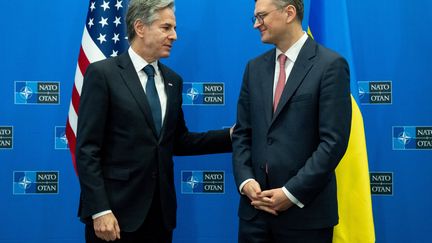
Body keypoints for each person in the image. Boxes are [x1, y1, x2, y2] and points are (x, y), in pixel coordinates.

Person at [75, 0, 232, 242]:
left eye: (174, 28)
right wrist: (100, 210)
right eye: (166, 27)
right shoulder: (103, 74)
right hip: (114, 217)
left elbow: (178, 141)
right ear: (140, 27)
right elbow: (87, 149)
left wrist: (230, 136)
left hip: (160, 216)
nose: (174, 36)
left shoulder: (173, 81)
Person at [232, 0, 352, 242]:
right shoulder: (253, 69)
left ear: (289, 13)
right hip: (254, 216)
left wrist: (290, 193)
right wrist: (245, 181)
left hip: (305, 217)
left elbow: (333, 143)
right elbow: (243, 134)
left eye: (262, 16)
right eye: (255, 17)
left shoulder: (330, 66)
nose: (256, 24)